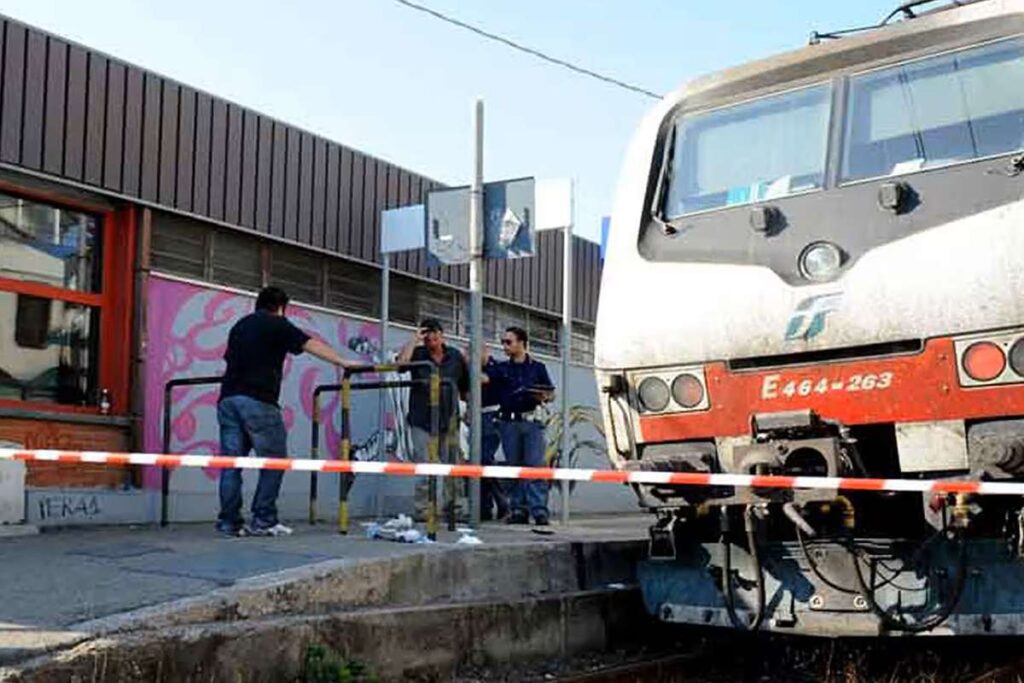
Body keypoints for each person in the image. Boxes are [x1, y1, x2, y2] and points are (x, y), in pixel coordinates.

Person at [217, 286, 355, 538]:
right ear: (280, 307)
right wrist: (343, 362)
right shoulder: (277, 324)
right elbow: (308, 343)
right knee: (274, 461)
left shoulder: (240, 326)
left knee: (231, 464)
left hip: (228, 399)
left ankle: (228, 522)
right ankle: (264, 520)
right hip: (259, 400)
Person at [398, 318, 469, 520]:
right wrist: (414, 340)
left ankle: (454, 509)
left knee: (452, 465)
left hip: (448, 420)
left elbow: (465, 387)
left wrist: (469, 410)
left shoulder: (454, 356)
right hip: (422, 418)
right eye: (427, 336)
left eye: (435, 334)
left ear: (442, 334)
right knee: (425, 466)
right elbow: (400, 366)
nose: (432, 339)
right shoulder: (418, 354)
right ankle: (423, 510)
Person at [491, 326, 554, 526]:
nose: (505, 346)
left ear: (522, 343)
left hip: (531, 421)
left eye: (509, 342)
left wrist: (542, 396)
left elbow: (551, 393)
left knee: (535, 466)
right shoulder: (502, 368)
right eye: (503, 342)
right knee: (514, 467)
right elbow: (485, 378)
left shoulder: (537, 367)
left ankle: (539, 511)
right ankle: (518, 510)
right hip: (508, 422)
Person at [480, 351, 510, 521]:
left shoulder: (496, 367)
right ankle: (485, 506)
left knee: (484, 459)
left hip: (493, 416)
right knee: (478, 462)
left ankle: (502, 502)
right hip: (477, 416)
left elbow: (483, 379)